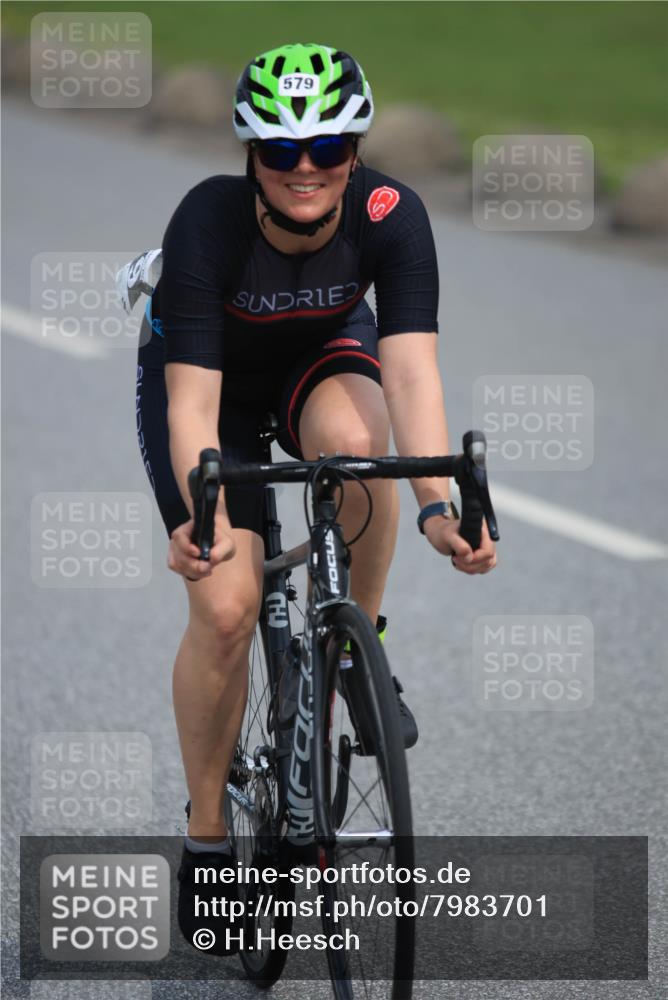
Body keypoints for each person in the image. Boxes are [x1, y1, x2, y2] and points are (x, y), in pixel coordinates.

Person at [127, 42, 497, 952]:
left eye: (326, 148)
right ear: (250, 153)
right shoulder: (207, 222)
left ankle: (352, 643)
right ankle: (208, 839)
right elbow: (193, 405)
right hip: (209, 388)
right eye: (281, 152)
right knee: (225, 608)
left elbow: (411, 376)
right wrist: (202, 516)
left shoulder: (390, 214)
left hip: (320, 362)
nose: (304, 170)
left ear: (356, 148)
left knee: (360, 447)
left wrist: (440, 508)